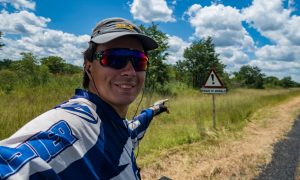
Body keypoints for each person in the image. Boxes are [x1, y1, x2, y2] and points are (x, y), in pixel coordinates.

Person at [0, 17, 169, 179]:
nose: (130, 72)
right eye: (115, 58)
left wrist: (155, 109)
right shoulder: (76, 124)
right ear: (88, 67)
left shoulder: (116, 125)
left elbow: (133, 128)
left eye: (139, 61)